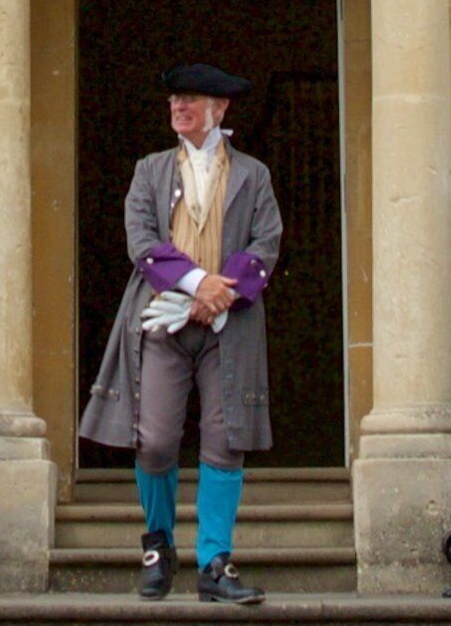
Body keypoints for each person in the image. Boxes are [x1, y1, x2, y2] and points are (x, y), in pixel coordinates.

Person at [77, 61, 284, 604]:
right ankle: (159, 547)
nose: (178, 107)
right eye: (173, 100)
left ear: (219, 109)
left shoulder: (253, 175)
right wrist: (197, 285)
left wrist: (222, 295)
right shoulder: (149, 170)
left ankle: (215, 562)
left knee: (225, 440)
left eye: (190, 99)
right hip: (159, 320)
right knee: (156, 438)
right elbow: (140, 239)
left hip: (228, 324)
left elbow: (266, 245)